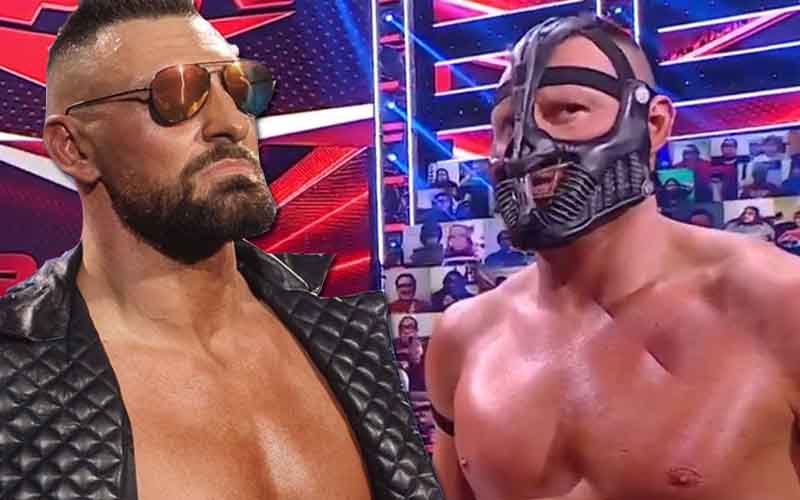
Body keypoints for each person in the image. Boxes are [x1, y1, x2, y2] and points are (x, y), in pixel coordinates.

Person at [0, 2, 441, 499]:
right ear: (73, 148)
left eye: (239, 87)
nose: (231, 123)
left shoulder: (351, 339)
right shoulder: (13, 377)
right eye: (176, 94)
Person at [426, 13, 800, 500]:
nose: (526, 145)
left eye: (566, 109)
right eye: (507, 124)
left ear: (655, 123)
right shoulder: (463, 338)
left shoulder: (777, 303)